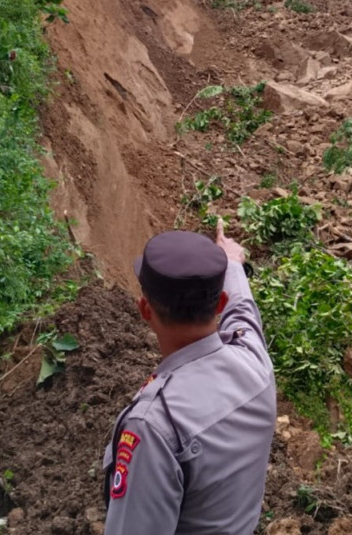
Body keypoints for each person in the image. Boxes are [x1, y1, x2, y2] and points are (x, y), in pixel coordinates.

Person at [102, 220, 276, 534]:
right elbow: (243, 309)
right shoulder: (255, 363)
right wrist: (233, 264)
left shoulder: (154, 426)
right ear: (219, 304)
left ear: (145, 310)